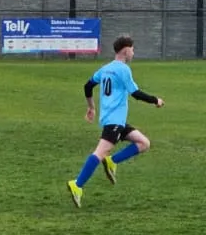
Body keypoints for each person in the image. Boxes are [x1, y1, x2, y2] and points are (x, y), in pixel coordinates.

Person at [67, 34, 163, 208]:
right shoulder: (123, 69)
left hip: (115, 120)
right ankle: (77, 185)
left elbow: (87, 86)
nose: (133, 53)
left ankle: (112, 161)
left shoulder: (106, 68)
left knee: (143, 143)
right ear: (125, 51)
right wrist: (155, 100)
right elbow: (135, 93)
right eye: (132, 50)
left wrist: (91, 107)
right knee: (99, 153)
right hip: (114, 121)